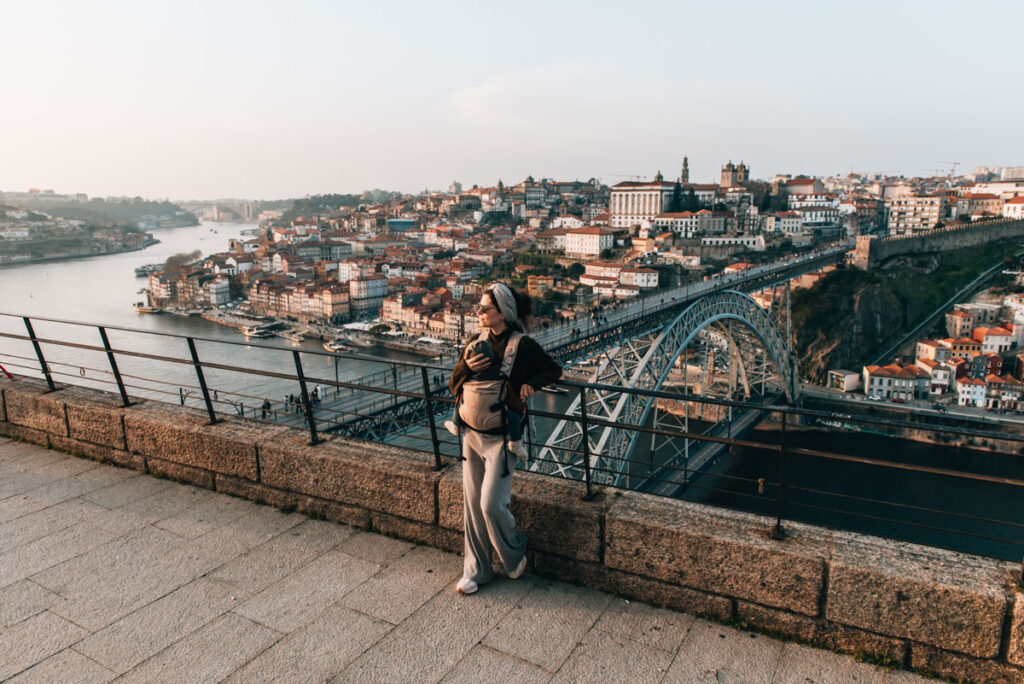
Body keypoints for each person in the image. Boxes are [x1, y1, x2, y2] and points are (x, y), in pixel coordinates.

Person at [448, 282, 560, 595]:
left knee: (490, 505)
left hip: (501, 438)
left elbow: (553, 370)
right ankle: (476, 571)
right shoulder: (474, 340)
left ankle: (514, 550)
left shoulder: (522, 345)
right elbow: (454, 384)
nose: (479, 312)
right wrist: (465, 367)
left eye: (485, 308)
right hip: (471, 432)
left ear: (503, 312)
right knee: (471, 505)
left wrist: (531, 386)